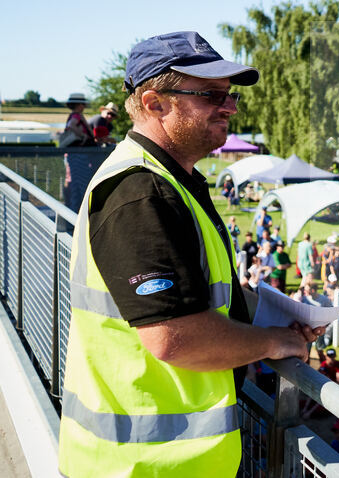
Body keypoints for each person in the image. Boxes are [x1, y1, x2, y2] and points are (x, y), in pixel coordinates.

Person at [58, 31, 324, 477]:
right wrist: (276, 342)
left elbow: (192, 293)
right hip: (145, 465)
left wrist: (264, 312)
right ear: (154, 103)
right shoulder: (141, 192)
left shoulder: (168, 179)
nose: (231, 107)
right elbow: (172, 337)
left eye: (230, 95)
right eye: (210, 95)